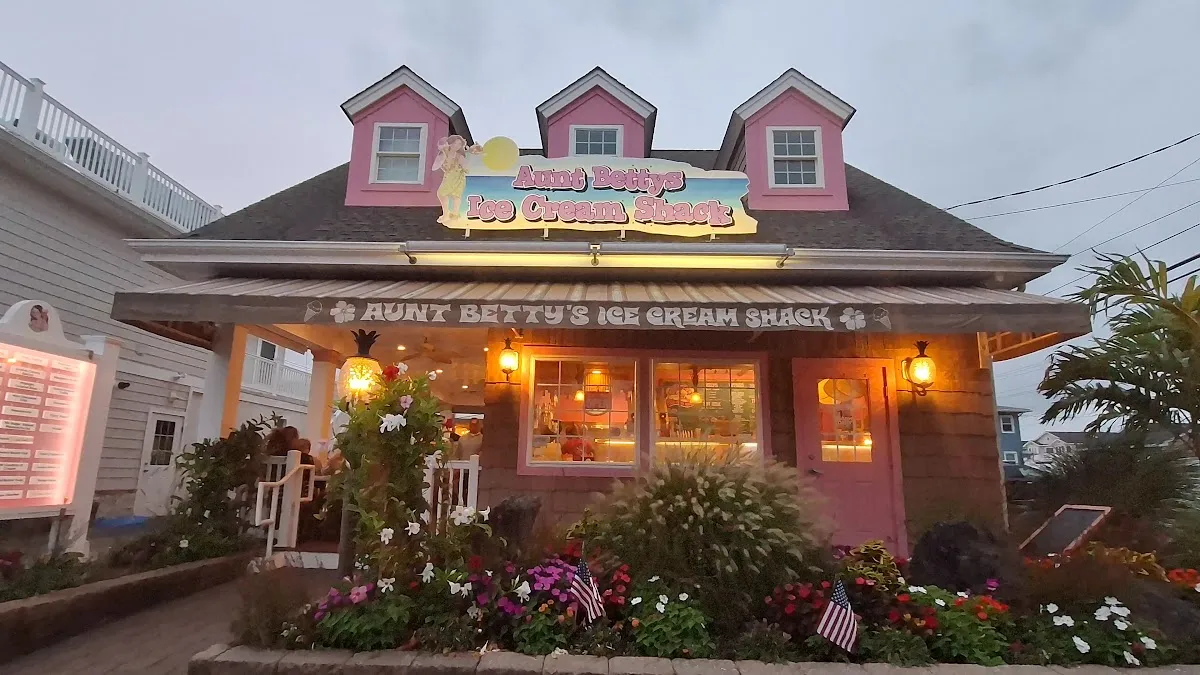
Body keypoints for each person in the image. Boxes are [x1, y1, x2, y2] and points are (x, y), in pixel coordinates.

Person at [432, 135, 482, 224]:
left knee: (454, 195)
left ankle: (453, 214)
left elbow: (466, 169)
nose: (456, 145)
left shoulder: (459, 156)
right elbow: (436, 166)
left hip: (458, 177)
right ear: (450, 143)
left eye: (459, 144)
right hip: (448, 176)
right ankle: (447, 213)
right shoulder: (444, 153)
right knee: (443, 194)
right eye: (455, 143)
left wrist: (471, 157)